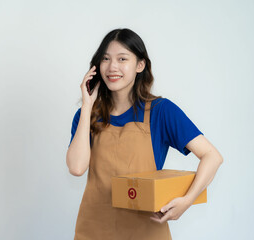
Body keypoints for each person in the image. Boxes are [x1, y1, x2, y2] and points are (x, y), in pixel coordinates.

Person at [66, 28, 223, 240]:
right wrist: (86, 106)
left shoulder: (161, 111)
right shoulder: (87, 116)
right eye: (105, 59)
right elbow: (76, 168)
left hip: (146, 232)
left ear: (140, 65)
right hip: (94, 229)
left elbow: (212, 157)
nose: (112, 67)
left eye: (122, 59)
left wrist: (187, 201)